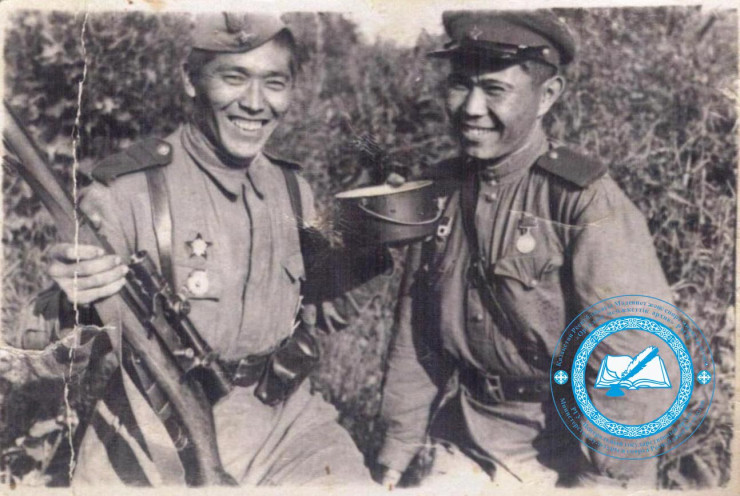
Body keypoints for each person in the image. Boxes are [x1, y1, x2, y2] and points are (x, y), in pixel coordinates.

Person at [16, 12, 383, 486]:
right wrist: (72, 305)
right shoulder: (128, 192)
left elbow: (318, 312)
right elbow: (38, 357)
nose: (255, 103)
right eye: (234, 78)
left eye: (274, 82)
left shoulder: (293, 189)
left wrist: (378, 242)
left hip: (287, 426)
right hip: (155, 430)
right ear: (191, 80)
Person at [376, 10, 674, 488]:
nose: (471, 108)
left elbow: (638, 349)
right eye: (460, 85)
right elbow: (417, 337)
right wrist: (395, 455)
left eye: (494, 89)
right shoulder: (439, 191)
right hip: (468, 435)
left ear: (547, 95)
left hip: (571, 446)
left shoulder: (580, 199)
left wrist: (602, 474)